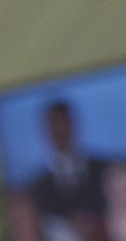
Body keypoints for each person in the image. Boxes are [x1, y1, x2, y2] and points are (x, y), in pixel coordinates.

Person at [24, 99, 106, 231]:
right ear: (46, 131)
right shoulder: (36, 189)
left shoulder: (106, 171)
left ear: (74, 125)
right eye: (54, 125)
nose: (60, 130)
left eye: (64, 122)